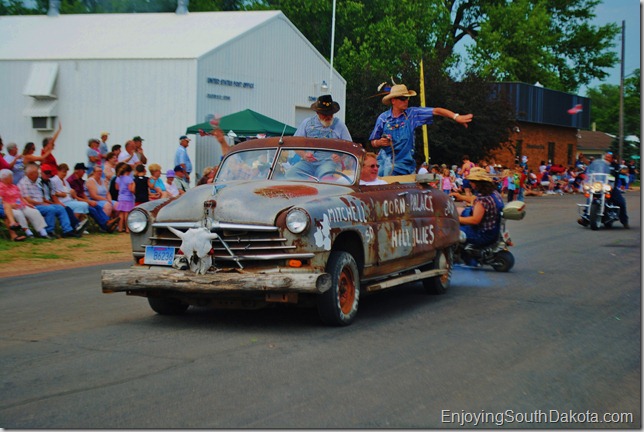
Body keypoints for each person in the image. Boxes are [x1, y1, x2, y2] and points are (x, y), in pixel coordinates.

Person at [369, 84, 473, 176]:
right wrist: (379, 142)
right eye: (402, 98)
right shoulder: (383, 118)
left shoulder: (412, 114)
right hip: (383, 164)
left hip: (404, 166)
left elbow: (436, 111)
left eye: (407, 98)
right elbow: (373, 142)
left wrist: (456, 117)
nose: (406, 101)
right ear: (393, 100)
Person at [285, 95, 352, 179]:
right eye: (324, 114)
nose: (328, 116)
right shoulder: (307, 123)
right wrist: (304, 155)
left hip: (329, 162)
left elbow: (349, 146)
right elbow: (295, 143)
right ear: (317, 113)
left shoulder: (339, 125)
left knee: (325, 177)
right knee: (290, 174)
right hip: (308, 163)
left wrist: (340, 157)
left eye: (330, 114)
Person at [17, 163, 80, 238]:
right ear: (31, 174)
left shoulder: (36, 182)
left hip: (42, 203)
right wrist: (42, 203)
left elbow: (43, 196)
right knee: (50, 209)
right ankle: (49, 231)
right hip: (33, 206)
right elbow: (28, 199)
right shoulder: (24, 183)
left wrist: (45, 202)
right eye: (37, 173)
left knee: (61, 208)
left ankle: (67, 230)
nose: (38, 174)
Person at [450, 167, 504, 247]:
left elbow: (475, 220)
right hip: (493, 230)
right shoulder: (494, 193)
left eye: (471, 181)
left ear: (477, 183)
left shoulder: (483, 199)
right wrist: (460, 197)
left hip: (482, 234)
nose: (470, 183)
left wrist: (455, 219)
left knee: (450, 231)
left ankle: (465, 257)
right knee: (459, 210)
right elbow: (474, 199)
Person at [579, 152, 629, 229]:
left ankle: (624, 221)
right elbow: (590, 165)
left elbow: (621, 170)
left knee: (621, 202)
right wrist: (583, 159)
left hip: (610, 187)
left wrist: (623, 170)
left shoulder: (615, 166)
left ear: (612, 159)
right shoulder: (599, 164)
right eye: (606, 157)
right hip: (598, 186)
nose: (606, 159)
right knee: (590, 196)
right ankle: (586, 218)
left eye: (608, 157)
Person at [66, 162, 116, 233]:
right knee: (93, 210)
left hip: (82, 200)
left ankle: (107, 222)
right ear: (77, 171)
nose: (84, 172)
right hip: (76, 201)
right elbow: (75, 197)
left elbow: (83, 194)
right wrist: (88, 201)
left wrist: (88, 201)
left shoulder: (80, 180)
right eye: (83, 170)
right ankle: (105, 226)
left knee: (97, 206)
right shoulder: (71, 181)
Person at [114, 163, 135, 232]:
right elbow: (131, 189)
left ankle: (120, 228)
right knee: (127, 214)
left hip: (120, 197)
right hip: (128, 198)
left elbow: (117, 188)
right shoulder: (129, 179)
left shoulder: (118, 178)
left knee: (121, 214)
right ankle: (127, 228)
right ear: (128, 172)